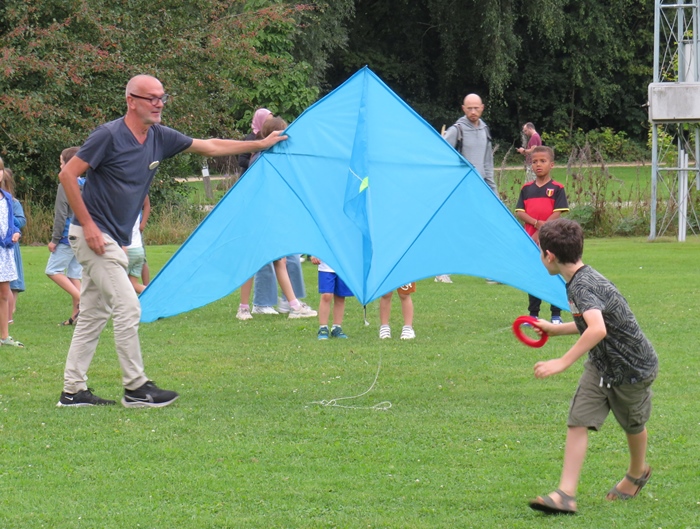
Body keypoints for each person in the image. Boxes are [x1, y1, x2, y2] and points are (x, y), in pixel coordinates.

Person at [56, 74, 287, 408]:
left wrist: (260, 145)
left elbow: (210, 145)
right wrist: (90, 226)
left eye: (162, 97)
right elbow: (68, 174)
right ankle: (136, 388)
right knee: (129, 306)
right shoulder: (108, 136)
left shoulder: (160, 137)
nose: (159, 103)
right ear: (131, 100)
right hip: (93, 236)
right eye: (151, 98)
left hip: (112, 238)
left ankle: (73, 391)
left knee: (93, 314)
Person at [528, 218, 658, 515]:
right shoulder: (576, 282)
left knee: (633, 424)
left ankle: (637, 473)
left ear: (549, 255)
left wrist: (562, 362)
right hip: (601, 365)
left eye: (539, 252)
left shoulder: (583, 286)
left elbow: (597, 329)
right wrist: (554, 329)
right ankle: (565, 495)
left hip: (632, 369)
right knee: (578, 419)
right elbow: (592, 324)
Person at [235, 117, 316, 321]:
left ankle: (292, 304)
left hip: (269, 213)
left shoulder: (268, 156)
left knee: (279, 258)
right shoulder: (263, 157)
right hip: (261, 214)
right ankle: (247, 307)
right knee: (258, 259)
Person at [439, 93, 496, 284]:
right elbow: (442, 158)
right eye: (469, 108)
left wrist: (492, 189)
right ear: (463, 108)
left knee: (484, 228)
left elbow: (487, 163)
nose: (473, 111)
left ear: (482, 107)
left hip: (480, 190)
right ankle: (442, 270)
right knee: (455, 229)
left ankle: (489, 270)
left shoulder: (485, 129)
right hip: (460, 191)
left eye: (476, 108)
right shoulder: (457, 130)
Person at [515, 146, 569, 324]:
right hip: (531, 241)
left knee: (554, 275)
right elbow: (520, 212)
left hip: (552, 240)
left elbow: (557, 214)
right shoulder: (526, 189)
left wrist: (541, 232)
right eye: (534, 161)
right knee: (534, 276)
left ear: (551, 164)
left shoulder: (557, 188)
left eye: (543, 161)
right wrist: (536, 224)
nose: (538, 165)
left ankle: (556, 315)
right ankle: (533, 315)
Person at [47, 147, 84, 326]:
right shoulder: (84, 183)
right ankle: (77, 317)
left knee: (52, 270)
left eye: (61, 161)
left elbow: (61, 214)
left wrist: (54, 240)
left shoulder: (65, 184)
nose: (60, 164)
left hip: (68, 235)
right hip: (82, 233)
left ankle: (84, 301)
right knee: (74, 275)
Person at [0, 157, 23, 347]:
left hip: (4, 252)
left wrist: (15, 232)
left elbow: (13, 223)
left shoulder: (7, 198)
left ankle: (4, 337)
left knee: (4, 294)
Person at [2, 168, 25, 322]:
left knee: (10, 281)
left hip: (9, 245)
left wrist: (9, 217)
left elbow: (21, 221)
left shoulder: (12, 202)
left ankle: (10, 312)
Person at [310, 257, 352, 339]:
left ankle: (337, 327)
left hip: (343, 265)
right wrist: (314, 254)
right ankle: (323, 327)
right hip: (326, 265)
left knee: (340, 296)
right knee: (326, 295)